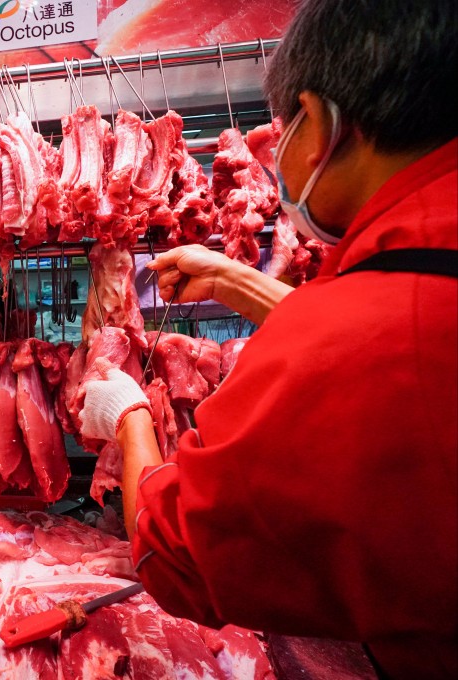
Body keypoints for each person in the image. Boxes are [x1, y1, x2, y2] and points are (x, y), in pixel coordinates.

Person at [79, 0, 457, 677]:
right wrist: (236, 280)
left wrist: (132, 417)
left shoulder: (362, 334)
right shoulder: (415, 288)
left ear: (321, 124)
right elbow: (401, 329)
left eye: (282, 130)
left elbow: (173, 554)